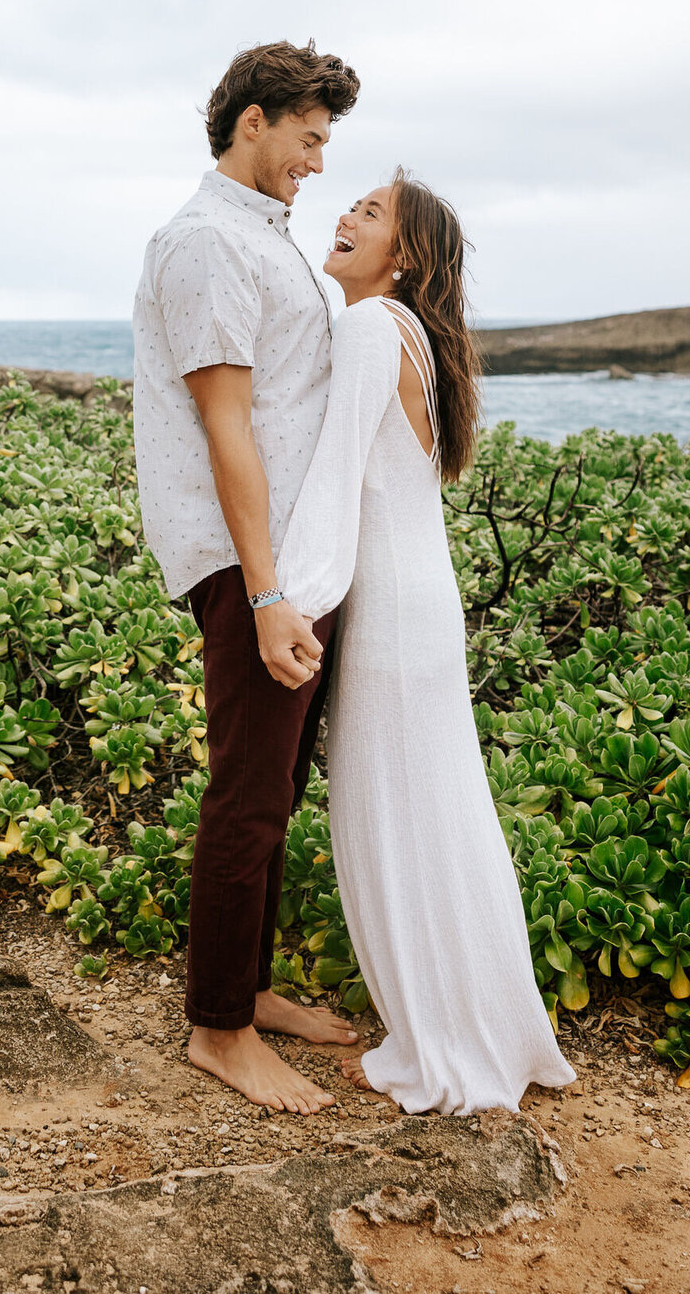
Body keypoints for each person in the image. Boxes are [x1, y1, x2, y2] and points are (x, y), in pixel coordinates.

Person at [274, 171, 576, 1114]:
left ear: (404, 258)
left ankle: (449, 1039)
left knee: (395, 821)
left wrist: (284, 599)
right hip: (419, 605)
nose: (345, 216)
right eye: (352, 204)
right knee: (440, 818)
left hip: (393, 616)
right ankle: (482, 1023)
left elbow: (331, 480)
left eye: (369, 213)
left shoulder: (371, 326)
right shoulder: (410, 332)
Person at [132, 39, 361, 1114]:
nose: (317, 162)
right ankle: (217, 1027)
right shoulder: (204, 242)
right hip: (245, 557)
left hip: (283, 555)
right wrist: (267, 592)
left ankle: (248, 987)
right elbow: (225, 424)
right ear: (256, 118)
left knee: (273, 784)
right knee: (247, 790)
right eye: (310, 138)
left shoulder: (260, 238)